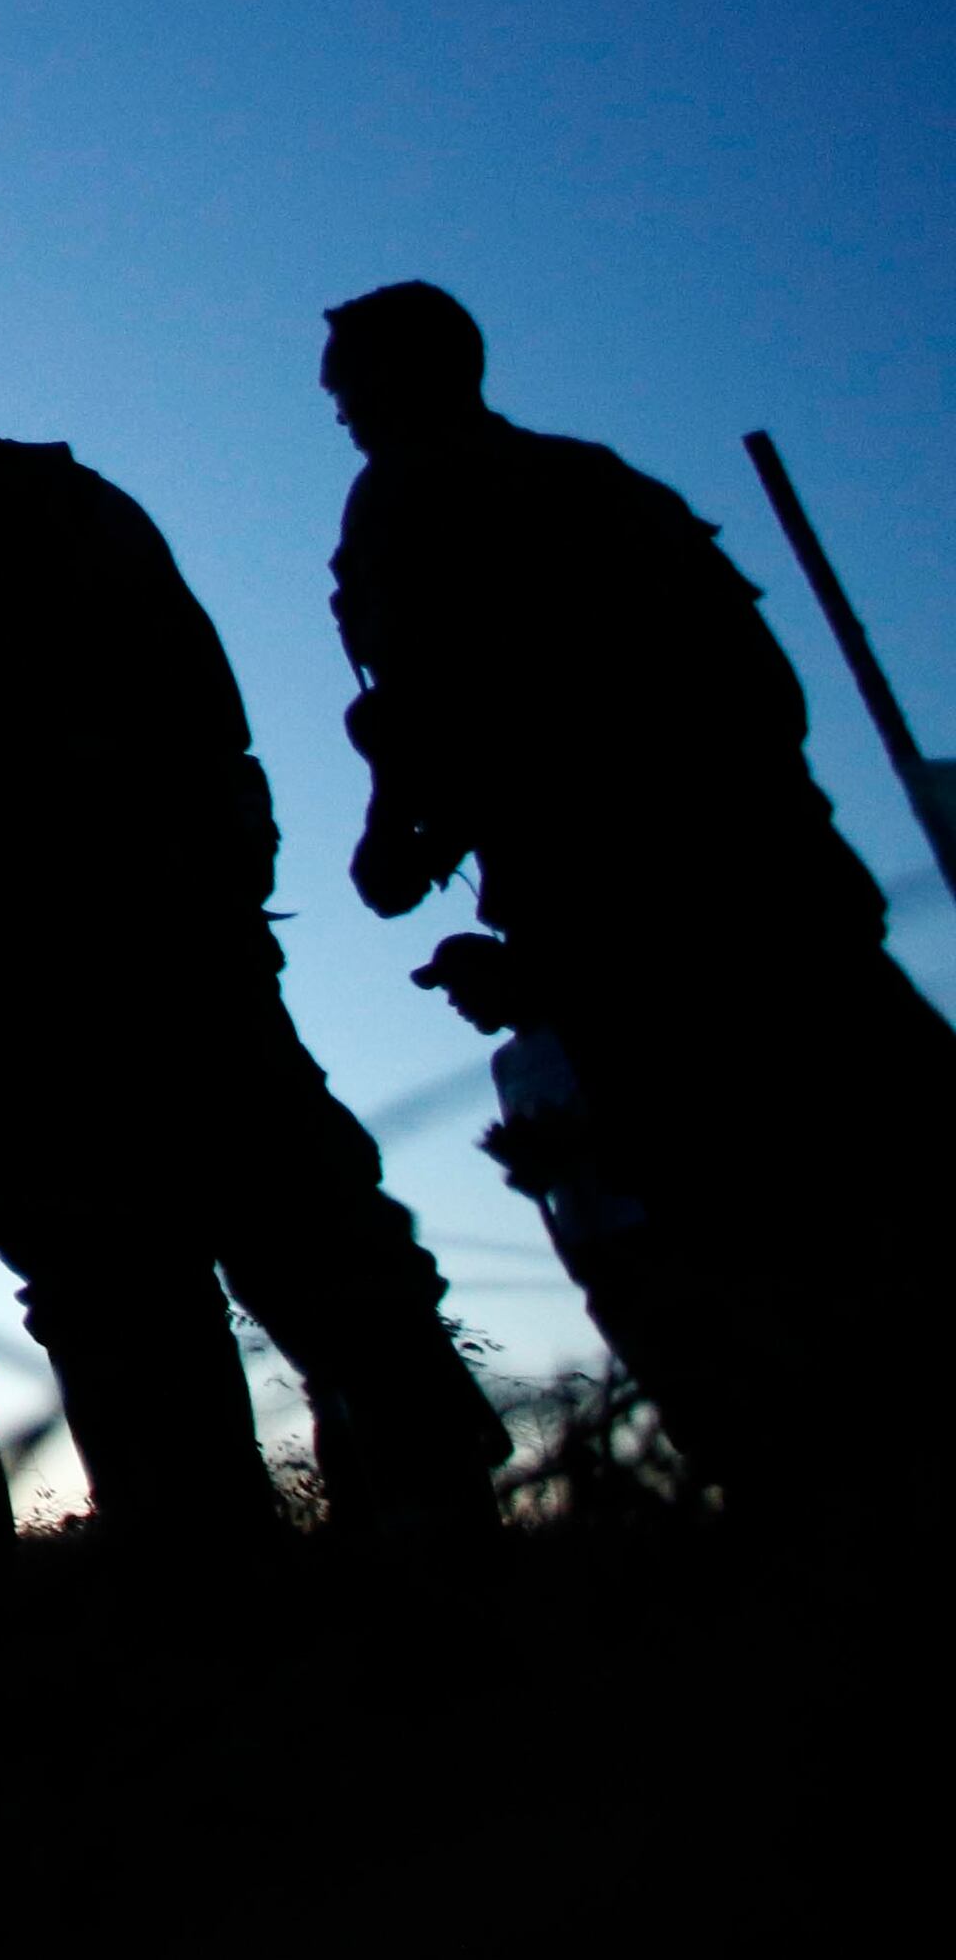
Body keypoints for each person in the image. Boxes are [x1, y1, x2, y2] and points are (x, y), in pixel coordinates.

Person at [0, 288, 507, 1555]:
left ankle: (216, 1559)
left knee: (111, 1267)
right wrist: (224, 881)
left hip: (2, 969)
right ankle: (430, 1510)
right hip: (170, 938)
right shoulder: (78, 502)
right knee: (295, 1218)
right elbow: (206, 706)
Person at [321, 280, 956, 1522]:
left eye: (353, 374)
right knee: (899, 1175)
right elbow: (764, 690)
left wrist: (398, 835)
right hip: (777, 886)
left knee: (741, 1226)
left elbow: (443, 711)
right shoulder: (600, 481)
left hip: (630, 924)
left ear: (416, 373)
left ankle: (830, 1508)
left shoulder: (409, 500)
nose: (338, 400)